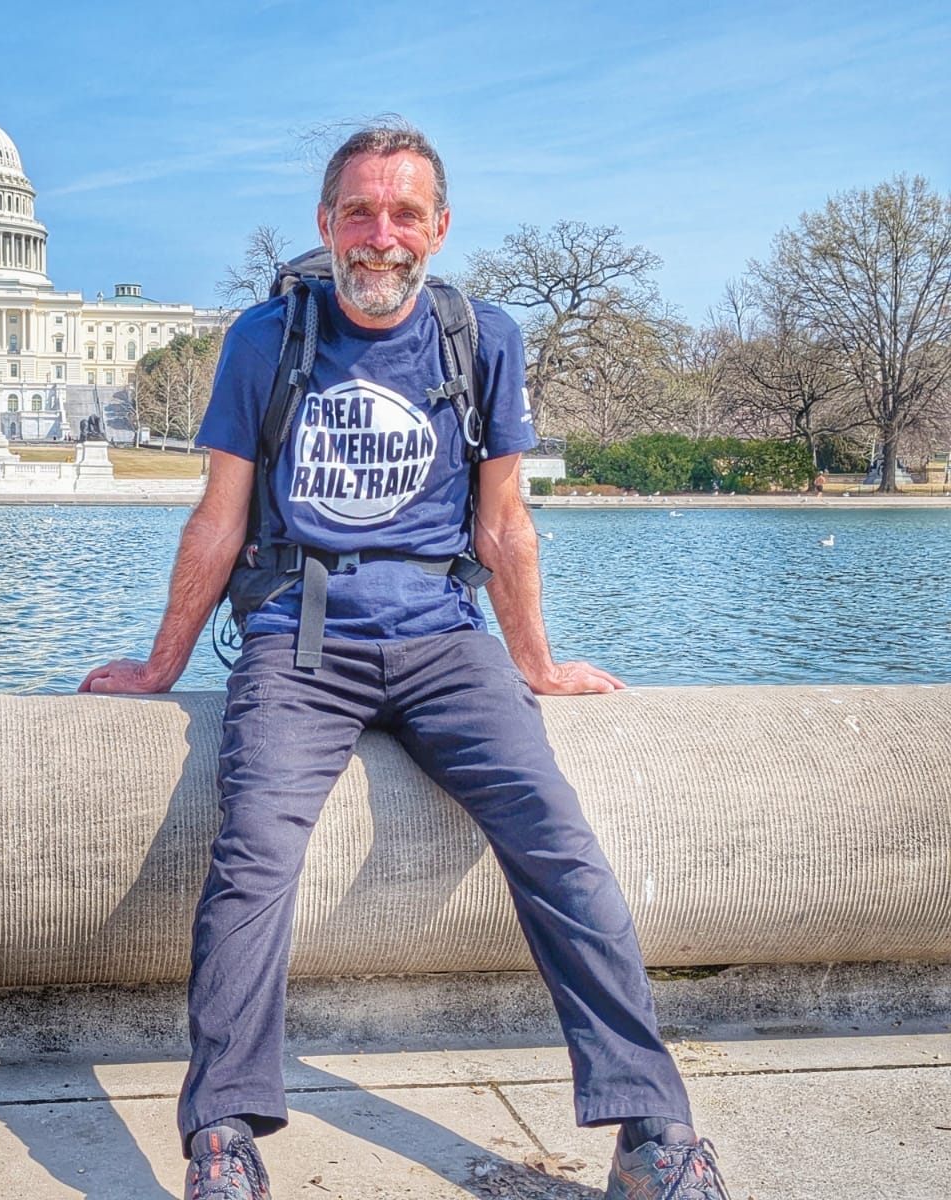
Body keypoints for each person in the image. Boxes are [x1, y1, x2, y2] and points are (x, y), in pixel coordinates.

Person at [79, 123, 730, 1200]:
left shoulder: (483, 341)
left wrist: (539, 663)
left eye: (403, 214)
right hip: (303, 636)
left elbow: (505, 527)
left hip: (440, 638)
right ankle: (223, 1136)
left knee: (557, 840)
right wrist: (160, 665)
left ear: (437, 228)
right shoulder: (262, 340)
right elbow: (217, 520)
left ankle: (652, 1130)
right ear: (327, 224)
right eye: (359, 213)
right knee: (252, 853)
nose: (380, 237)